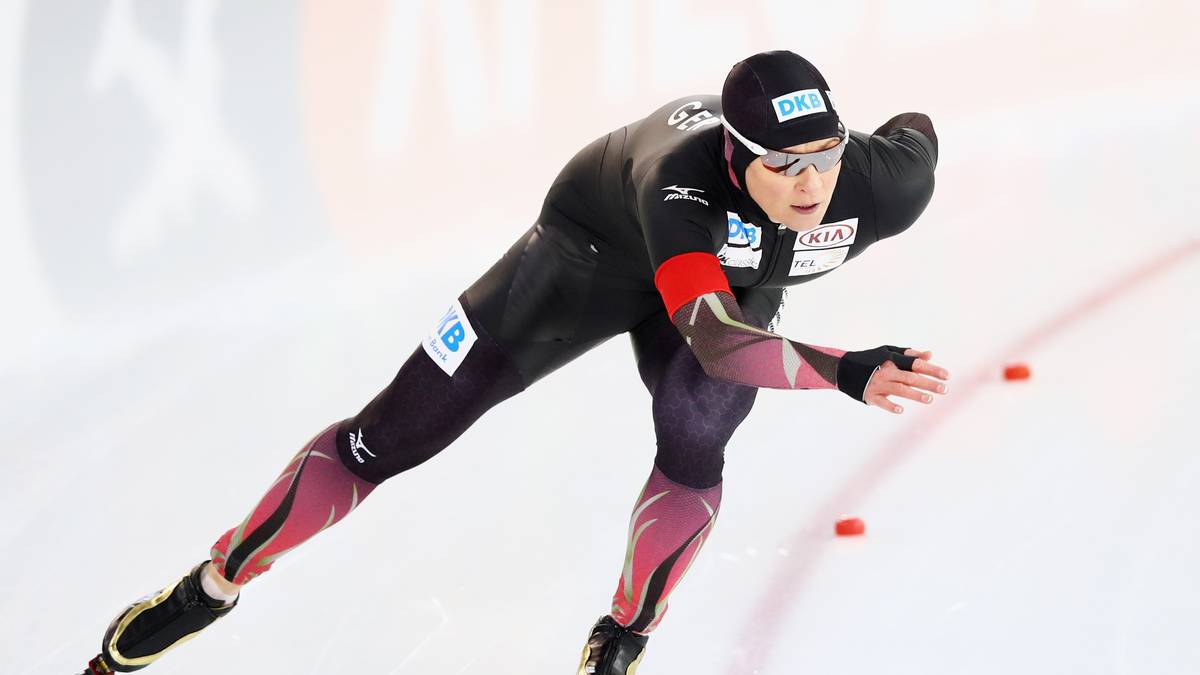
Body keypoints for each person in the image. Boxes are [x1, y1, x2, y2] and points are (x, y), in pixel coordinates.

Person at [81, 50, 948, 675]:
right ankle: (212, 584)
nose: (811, 187)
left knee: (699, 423)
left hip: (725, 284)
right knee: (391, 435)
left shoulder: (883, 183)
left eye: (824, 158)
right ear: (732, 156)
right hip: (591, 257)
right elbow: (718, 338)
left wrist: (858, 144)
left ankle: (624, 634)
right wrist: (846, 368)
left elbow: (919, 131)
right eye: (784, 165)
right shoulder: (679, 185)